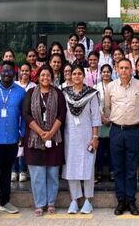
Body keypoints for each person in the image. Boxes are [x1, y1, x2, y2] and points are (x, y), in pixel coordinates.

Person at [22, 65, 67, 216]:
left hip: (54, 138)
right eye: (42, 75)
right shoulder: (30, 93)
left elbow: (62, 114)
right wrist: (41, 132)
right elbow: (26, 114)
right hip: (35, 138)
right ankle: (40, 203)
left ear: (52, 78)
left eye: (48, 76)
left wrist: (51, 132)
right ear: (38, 77)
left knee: (53, 173)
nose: (45, 78)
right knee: (37, 174)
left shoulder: (58, 94)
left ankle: (51, 202)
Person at [104, 58, 139, 216]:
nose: (124, 71)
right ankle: (120, 201)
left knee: (131, 168)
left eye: (127, 68)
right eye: (121, 68)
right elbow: (108, 108)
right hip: (116, 131)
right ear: (117, 68)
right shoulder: (111, 87)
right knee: (118, 168)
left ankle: (131, 200)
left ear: (132, 69)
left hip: (133, 131)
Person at [0, 61, 26, 218]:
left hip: (12, 139)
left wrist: (22, 132)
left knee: (7, 172)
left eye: (10, 71)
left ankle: (5, 201)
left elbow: (24, 115)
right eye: (4, 71)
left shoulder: (21, 92)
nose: (7, 74)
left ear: (14, 73)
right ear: (0, 72)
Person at [62, 65, 101, 214]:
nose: (77, 76)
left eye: (79, 73)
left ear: (83, 76)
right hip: (70, 136)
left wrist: (95, 137)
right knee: (71, 167)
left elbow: (96, 117)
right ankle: (74, 200)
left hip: (87, 136)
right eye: (74, 73)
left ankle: (88, 200)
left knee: (87, 167)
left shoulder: (91, 94)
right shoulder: (65, 93)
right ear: (70, 76)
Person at [13, 63, 37, 182]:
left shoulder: (34, 86)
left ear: (30, 72)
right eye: (22, 70)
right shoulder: (15, 85)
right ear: (19, 72)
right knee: (15, 142)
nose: (24, 73)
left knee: (24, 144)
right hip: (15, 117)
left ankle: (23, 170)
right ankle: (14, 170)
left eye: (27, 71)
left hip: (28, 118)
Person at [95, 64, 114, 183]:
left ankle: (112, 172)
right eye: (104, 72)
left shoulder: (116, 86)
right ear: (100, 73)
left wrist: (111, 118)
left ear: (111, 73)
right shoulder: (96, 87)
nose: (106, 74)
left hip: (113, 120)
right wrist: (101, 117)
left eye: (108, 72)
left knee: (112, 148)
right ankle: (99, 172)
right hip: (100, 121)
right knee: (100, 148)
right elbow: (95, 104)